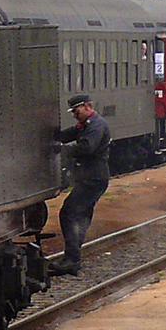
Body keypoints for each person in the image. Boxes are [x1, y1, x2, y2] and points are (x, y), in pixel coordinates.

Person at [53, 94, 111, 276]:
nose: (75, 115)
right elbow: (65, 135)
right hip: (91, 178)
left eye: (76, 111)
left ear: (87, 106)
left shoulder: (96, 126)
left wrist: (63, 150)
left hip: (93, 178)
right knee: (82, 216)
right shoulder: (86, 125)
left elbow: (87, 147)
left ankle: (72, 259)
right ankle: (73, 257)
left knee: (68, 213)